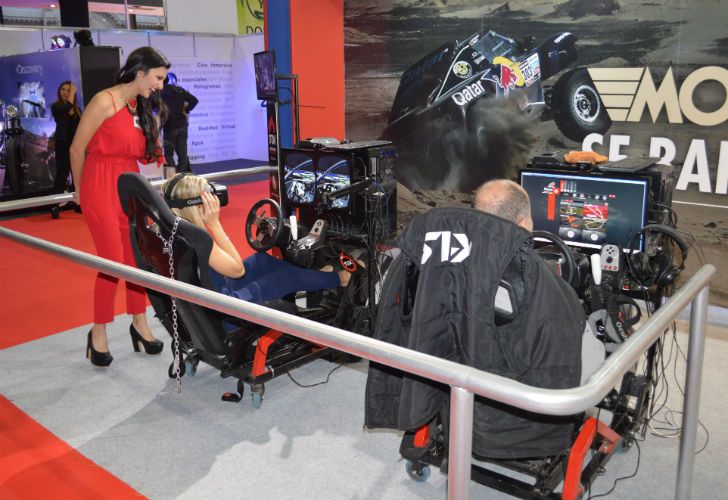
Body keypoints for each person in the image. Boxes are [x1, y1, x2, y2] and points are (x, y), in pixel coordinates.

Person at [71, 46, 170, 367]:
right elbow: (77, 149)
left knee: (136, 258)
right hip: (100, 184)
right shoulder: (104, 101)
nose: (161, 85)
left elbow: (144, 155)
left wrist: (155, 137)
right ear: (140, 73)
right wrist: (80, 191)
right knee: (112, 261)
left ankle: (139, 323)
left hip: (131, 186)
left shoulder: (137, 106)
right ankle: (98, 330)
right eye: (158, 78)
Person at [473, 178, 604, 384]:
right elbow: (586, 369)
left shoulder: (451, 269)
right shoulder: (557, 296)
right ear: (525, 225)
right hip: (527, 396)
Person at [162, 173, 357, 304]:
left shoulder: (175, 230)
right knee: (284, 278)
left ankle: (316, 278)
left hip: (213, 294)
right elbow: (237, 270)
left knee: (261, 260)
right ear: (197, 204)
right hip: (228, 309)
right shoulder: (199, 239)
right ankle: (339, 278)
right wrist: (214, 224)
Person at [50, 80, 82, 219]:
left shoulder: (77, 109)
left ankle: (78, 204)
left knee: (77, 175)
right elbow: (66, 108)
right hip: (62, 144)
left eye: (68, 90)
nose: (65, 92)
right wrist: (73, 92)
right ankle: (54, 206)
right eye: (63, 89)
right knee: (62, 175)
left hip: (75, 145)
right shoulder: (56, 106)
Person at [160, 72, 198, 175]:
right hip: (182, 125)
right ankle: (183, 177)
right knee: (182, 153)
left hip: (169, 127)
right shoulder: (180, 90)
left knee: (168, 154)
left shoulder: (161, 92)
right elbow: (194, 100)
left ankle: (172, 177)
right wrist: (186, 110)